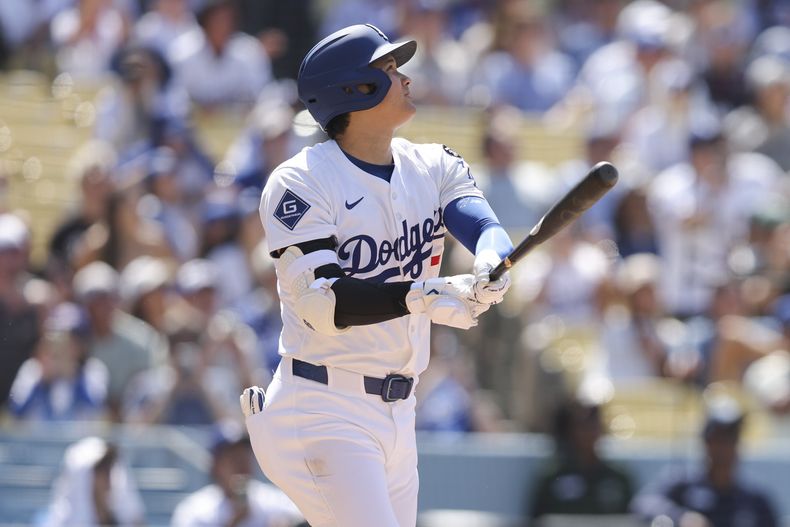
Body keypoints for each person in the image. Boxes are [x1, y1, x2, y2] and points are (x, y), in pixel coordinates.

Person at [241, 24, 513, 527]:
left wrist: (489, 263)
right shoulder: (300, 180)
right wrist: (425, 295)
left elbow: (481, 224)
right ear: (355, 90)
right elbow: (324, 306)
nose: (404, 78)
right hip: (322, 406)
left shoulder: (432, 162)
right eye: (388, 70)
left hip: (398, 411)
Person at [631, 393, 779, 527]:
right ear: (706, 442)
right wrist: (682, 518)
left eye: (731, 439)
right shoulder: (683, 485)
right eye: (719, 439)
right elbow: (644, 503)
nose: (724, 447)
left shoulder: (755, 499)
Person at [171, 422, 303, 527]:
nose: (241, 464)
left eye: (245, 456)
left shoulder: (273, 500)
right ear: (216, 465)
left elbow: (309, 520)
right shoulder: (195, 510)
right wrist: (234, 521)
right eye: (234, 458)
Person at [528, 397, 634, 520]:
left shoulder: (618, 478)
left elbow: (630, 520)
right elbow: (535, 521)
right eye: (582, 423)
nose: (590, 429)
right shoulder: (551, 478)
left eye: (594, 421)